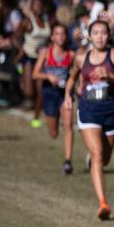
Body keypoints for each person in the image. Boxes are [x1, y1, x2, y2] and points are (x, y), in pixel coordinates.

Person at [63, 19, 114, 220]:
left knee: (106, 159)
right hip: (88, 111)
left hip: (110, 110)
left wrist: (110, 76)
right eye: (96, 33)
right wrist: (68, 95)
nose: (100, 36)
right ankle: (103, 203)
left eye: (103, 33)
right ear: (89, 36)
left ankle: (93, 158)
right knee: (98, 156)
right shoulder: (80, 57)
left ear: (108, 35)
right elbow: (72, 77)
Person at [32, 24, 75, 174]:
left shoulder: (71, 55)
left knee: (68, 125)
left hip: (65, 94)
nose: (60, 37)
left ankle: (68, 161)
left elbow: (76, 74)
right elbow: (35, 74)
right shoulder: (45, 53)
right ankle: (52, 126)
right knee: (54, 132)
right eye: (57, 34)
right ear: (52, 37)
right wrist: (48, 76)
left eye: (63, 34)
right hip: (49, 93)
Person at [20, 0, 52, 128]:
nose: (38, 8)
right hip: (29, 57)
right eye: (35, 5)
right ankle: (22, 80)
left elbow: (50, 37)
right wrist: (21, 49)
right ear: (32, 8)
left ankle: (36, 117)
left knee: (41, 90)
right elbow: (15, 38)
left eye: (40, 5)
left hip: (42, 59)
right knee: (29, 93)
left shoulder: (47, 20)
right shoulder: (27, 21)